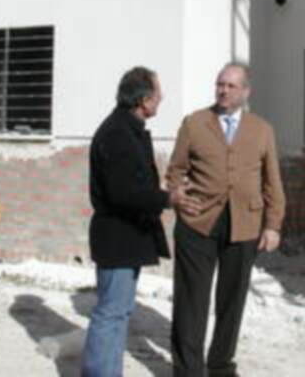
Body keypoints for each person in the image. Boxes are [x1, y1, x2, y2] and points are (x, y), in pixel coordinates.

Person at [167, 62, 286, 377]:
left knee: (232, 301)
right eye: (220, 84)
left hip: (244, 224)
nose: (223, 90)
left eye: (231, 86)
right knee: (191, 300)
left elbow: (272, 181)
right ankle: (187, 370)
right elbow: (175, 169)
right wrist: (179, 197)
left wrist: (272, 225)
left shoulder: (262, 129)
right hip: (197, 222)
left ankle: (220, 366)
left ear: (246, 91)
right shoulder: (194, 123)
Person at [81, 66, 198, 377]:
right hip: (118, 237)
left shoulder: (127, 129)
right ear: (144, 99)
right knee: (111, 313)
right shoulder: (117, 134)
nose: (162, 98)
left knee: (118, 312)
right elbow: (123, 193)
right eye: (158, 93)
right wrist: (168, 199)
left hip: (126, 237)